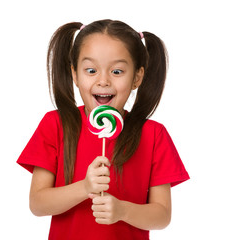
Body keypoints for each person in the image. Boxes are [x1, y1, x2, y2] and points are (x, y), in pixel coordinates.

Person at [17, 19, 189, 240]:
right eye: (91, 70)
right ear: (75, 74)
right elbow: (38, 204)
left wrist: (123, 210)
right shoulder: (55, 125)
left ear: (137, 77)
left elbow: (162, 216)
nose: (103, 81)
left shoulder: (154, 135)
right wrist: (84, 187)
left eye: (117, 71)